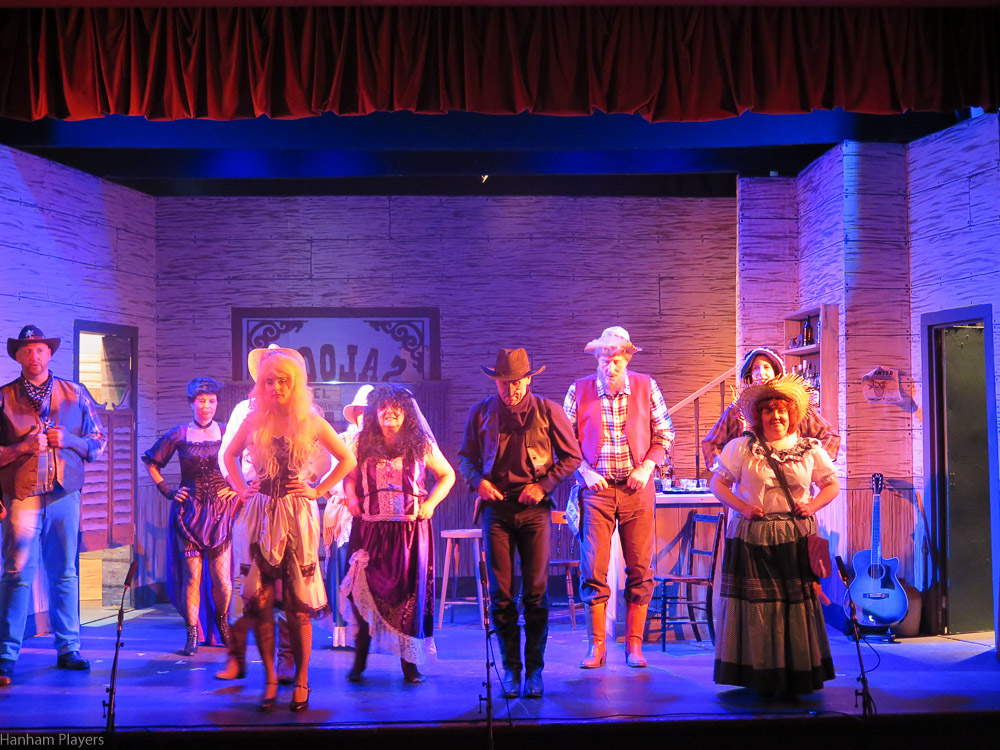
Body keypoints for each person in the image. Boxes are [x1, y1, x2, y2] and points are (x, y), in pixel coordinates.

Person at [222, 348, 356, 711]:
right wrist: (241, 487)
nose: (276, 387)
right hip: (262, 512)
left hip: (297, 514)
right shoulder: (254, 420)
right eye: (270, 381)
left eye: (283, 381)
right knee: (261, 602)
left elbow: (347, 458)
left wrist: (318, 490)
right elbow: (229, 455)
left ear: (294, 384)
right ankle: (269, 679)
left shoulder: (310, 421)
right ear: (261, 385)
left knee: (298, 605)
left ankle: (302, 679)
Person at [458, 348, 581, 699]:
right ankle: (511, 670)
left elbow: (572, 456)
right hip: (496, 510)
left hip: (534, 511)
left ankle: (535, 671)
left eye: (515, 383)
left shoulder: (547, 410)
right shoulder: (481, 412)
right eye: (503, 383)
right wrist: (478, 482)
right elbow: (466, 458)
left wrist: (543, 486)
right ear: (495, 382)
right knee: (501, 595)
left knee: (536, 593)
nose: (510, 390)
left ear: (528, 380)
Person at [709, 374, 839, 696]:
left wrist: (812, 506)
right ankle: (759, 673)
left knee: (795, 604)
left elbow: (831, 485)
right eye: (769, 411)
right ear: (759, 416)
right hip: (752, 537)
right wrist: (742, 507)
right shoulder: (741, 448)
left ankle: (796, 673)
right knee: (757, 604)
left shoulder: (810, 449)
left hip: (795, 536)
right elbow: (718, 484)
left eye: (782, 411)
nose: (776, 416)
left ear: (792, 415)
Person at [0, 325, 107, 687]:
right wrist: (22, 448)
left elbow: (98, 442)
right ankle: (6, 656)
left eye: (40, 349)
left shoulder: (75, 393)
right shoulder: (4, 398)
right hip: (22, 495)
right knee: (17, 574)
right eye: (27, 350)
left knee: (65, 573)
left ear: (49, 353)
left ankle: (68, 648)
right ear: (18, 356)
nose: (34, 356)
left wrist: (70, 440)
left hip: (65, 493)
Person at [563, 326, 674, 669]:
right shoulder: (579, 390)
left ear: (627, 359)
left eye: (617, 360)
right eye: (604, 359)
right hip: (596, 490)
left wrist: (648, 467)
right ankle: (596, 646)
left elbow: (665, 433)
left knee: (640, 566)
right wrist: (585, 471)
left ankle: (634, 646)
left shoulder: (646, 386)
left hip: (636, 488)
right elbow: (563, 442)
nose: (610, 366)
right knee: (593, 566)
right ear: (597, 359)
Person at [341, 385, 455, 683]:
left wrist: (430, 503)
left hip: (409, 534)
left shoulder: (420, 443)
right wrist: (351, 497)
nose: (389, 412)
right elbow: (349, 477)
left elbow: (448, 475)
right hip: (371, 531)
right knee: (363, 595)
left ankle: (409, 665)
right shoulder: (361, 442)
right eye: (383, 407)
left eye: (396, 407)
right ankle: (360, 660)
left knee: (409, 598)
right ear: (374, 412)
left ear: (406, 412)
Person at [143, 377, 240, 656]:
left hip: (220, 513)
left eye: (211, 401)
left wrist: (237, 489)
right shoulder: (180, 433)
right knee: (192, 577)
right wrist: (167, 490)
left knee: (222, 580)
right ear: (191, 403)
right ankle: (192, 634)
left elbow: (248, 461)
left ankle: (222, 623)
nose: (206, 406)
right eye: (201, 400)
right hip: (189, 512)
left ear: (217, 403)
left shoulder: (227, 432)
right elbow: (150, 461)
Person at [701, 346, 840, 470]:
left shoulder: (794, 406)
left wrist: (810, 463)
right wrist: (725, 470)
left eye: (766, 367)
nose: (761, 373)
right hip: (749, 485)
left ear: (776, 371)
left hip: (791, 482)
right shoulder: (738, 409)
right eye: (755, 368)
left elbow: (831, 437)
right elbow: (711, 443)